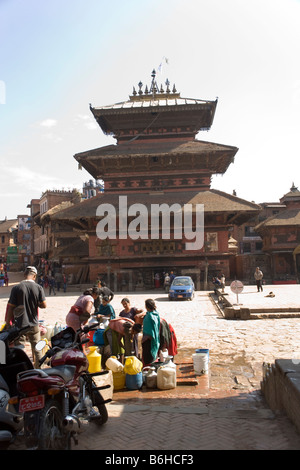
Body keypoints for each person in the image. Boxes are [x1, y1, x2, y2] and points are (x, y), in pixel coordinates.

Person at [5, 266, 47, 367]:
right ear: (34, 276)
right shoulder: (38, 288)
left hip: (20, 325)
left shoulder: (17, 288)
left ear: (24, 274)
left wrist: (7, 323)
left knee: (20, 348)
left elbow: (10, 307)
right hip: (34, 325)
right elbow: (44, 305)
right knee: (37, 349)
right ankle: (38, 370)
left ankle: (22, 369)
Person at [142, 299, 160, 366]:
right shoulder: (156, 314)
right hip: (155, 338)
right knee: (153, 355)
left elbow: (148, 329)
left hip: (148, 339)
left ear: (146, 306)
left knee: (147, 358)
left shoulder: (149, 316)